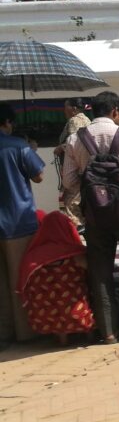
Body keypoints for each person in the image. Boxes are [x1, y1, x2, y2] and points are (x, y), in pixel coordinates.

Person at [63, 91, 119, 343]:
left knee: (100, 273)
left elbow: (69, 182)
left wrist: (93, 188)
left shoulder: (74, 139)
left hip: (94, 216)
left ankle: (109, 333)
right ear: (115, 110)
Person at [0, 103, 46, 348]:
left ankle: (3, 332)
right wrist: (32, 149)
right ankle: (25, 332)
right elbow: (38, 176)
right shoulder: (18, 146)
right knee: (20, 279)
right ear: (8, 122)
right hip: (18, 223)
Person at [19, 210, 94, 347]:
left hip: (47, 314)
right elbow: (89, 270)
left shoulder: (33, 255)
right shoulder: (75, 251)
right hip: (75, 309)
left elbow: (24, 282)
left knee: (54, 299)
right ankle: (89, 334)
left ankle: (62, 338)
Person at [54, 97, 91, 227]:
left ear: (74, 109)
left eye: (66, 107)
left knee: (71, 205)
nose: (64, 110)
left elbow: (75, 144)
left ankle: (76, 236)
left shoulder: (75, 121)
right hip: (84, 170)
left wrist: (60, 148)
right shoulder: (85, 120)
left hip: (75, 171)